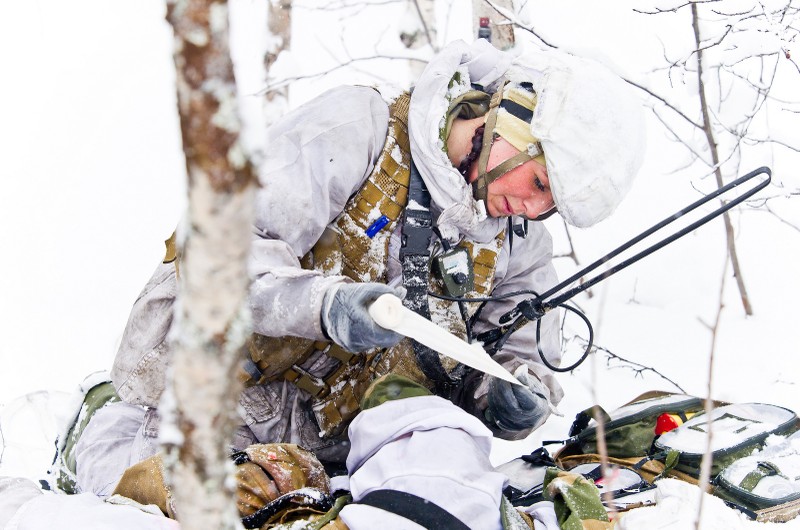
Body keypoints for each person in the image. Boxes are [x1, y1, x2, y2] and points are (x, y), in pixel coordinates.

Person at [70, 38, 645, 496]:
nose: (534, 208)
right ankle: (88, 422)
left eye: (552, 206)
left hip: (341, 468)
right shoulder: (359, 128)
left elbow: (520, 355)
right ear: (512, 124)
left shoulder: (520, 244)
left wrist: (515, 398)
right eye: (539, 183)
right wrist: (327, 306)